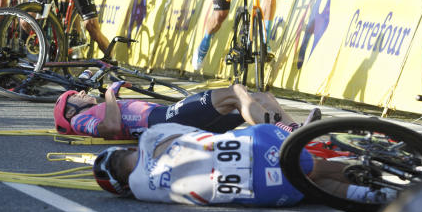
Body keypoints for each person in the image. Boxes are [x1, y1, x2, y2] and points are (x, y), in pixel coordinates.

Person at [91, 122, 395, 207]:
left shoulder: (142, 190)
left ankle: (376, 197)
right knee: (315, 165)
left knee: (311, 185)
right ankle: (391, 173)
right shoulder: (150, 136)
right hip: (254, 144)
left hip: (261, 193)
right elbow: (197, 135)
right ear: (123, 149)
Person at [55, 81, 319, 139]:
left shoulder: (85, 110)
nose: (79, 94)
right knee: (236, 92)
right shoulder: (80, 120)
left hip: (172, 116)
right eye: (73, 97)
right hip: (164, 121)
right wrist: (110, 94)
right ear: (69, 111)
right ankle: (284, 132)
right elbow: (110, 127)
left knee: (263, 96)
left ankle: (296, 131)